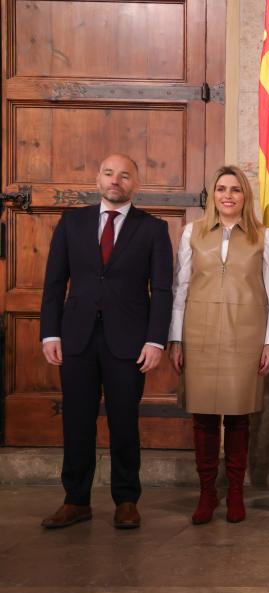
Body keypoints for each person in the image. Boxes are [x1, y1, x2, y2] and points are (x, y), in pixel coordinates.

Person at [39, 154, 173, 530]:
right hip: (76, 338)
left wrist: (156, 341)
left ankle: (127, 500)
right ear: (98, 178)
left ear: (136, 184)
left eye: (125, 175)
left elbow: (162, 290)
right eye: (110, 173)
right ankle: (75, 500)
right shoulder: (72, 223)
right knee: (77, 422)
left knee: (124, 422)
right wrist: (50, 332)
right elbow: (54, 283)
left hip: (129, 342)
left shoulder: (153, 229)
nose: (116, 181)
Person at [168, 166, 269, 524]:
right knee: (202, 418)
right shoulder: (192, 233)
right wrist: (176, 338)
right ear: (212, 195)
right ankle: (207, 493)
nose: (228, 195)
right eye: (221, 189)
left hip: (244, 334)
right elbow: (180, 290)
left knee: (237, 417)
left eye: (235, 189)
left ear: (245, 196)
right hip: (198, 333)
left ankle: (235, 491)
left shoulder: (264, 236)